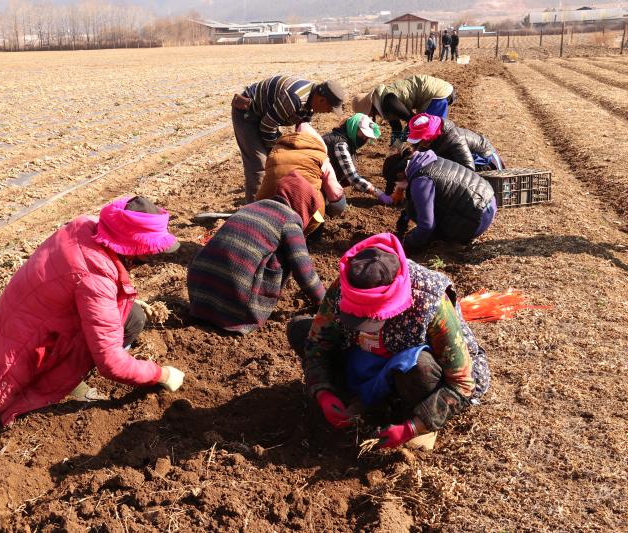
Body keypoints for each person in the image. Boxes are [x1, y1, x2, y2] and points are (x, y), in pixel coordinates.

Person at [0, 196, 186, 426]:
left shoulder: (87, 226)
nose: (154, 256)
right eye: (150, 251)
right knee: (115, 337)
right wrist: (161, 374)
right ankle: (63, 383)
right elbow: (111, 363)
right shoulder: (95, 275)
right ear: (132, 246)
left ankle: (75, 369)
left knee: (132, 316)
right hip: (24, 355)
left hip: (21, 327)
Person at [286, 232, 490, 448]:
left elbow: (463, 382)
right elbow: (318, 344)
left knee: (422, 369)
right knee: (300, 330)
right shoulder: (346, 284)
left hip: (408, 367)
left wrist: (413, 427)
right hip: (365, 356)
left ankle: (405, 412)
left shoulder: (429, 299)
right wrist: (323, 392)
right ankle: (360, 399)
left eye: (370, 317)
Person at [188, 172, 326, 334]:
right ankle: (234, 313)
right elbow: (304, 272)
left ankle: (210, 310)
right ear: (303, 203)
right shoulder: (289, 219)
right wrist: (325, 303)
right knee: (285, 256)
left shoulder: (250, 207)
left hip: (198, 294)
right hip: (236, 308)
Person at [231, 75, 346, 203]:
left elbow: (303, 127)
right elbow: (267, 127)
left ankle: (274, 202)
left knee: (280, 161)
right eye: (330, 108)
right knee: (259, 165)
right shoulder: (294, 99)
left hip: (268, 115)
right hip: (247, 113)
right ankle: (254, 212)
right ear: (322, 100)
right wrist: (278, 151)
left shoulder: (311, 102)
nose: (328, 112)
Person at [384, 149, 497, 252]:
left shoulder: (421, 181)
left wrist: (406, 244)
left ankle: (454, 242)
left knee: (416, 210)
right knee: (418, 203)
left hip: (476, 220)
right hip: (489, 200)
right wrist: (404, 219)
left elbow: (426, 225)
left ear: (399, 175)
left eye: (395, 183)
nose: (397, 186)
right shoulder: (424, 160)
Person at [255, 122, 346, 232]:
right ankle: (307, 236)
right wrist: (337, 208)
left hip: (264, 207)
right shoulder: (321, 156)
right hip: (302, 212)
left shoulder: (275, 151)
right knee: (322, 189)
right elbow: (334, 192)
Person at [351, 75, 455, 147]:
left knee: (430, 132)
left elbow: (413, 120)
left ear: (370, 108)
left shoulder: (389, 101)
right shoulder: (384, 102)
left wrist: (403, 140)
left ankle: (443, 154)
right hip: (429, 96)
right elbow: (396, 127)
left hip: (437, 94)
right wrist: (394, 145)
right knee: (420, 135)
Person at [320, 113, 385, 203]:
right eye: (362, 135)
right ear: (354, 128)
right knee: (338, 205)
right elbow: (352, 177)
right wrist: (378, 193)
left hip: (326, 177)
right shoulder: (340, 144)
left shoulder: (345, 137)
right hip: (318, 182)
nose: (364, 140)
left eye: (366, 138)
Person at [406, 113, 505, 171]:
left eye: (421, 140)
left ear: (430, 136)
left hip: (484, 162)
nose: (420, 143)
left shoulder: (455, 139)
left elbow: (468, 168)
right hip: (463, 161)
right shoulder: (429, 141)